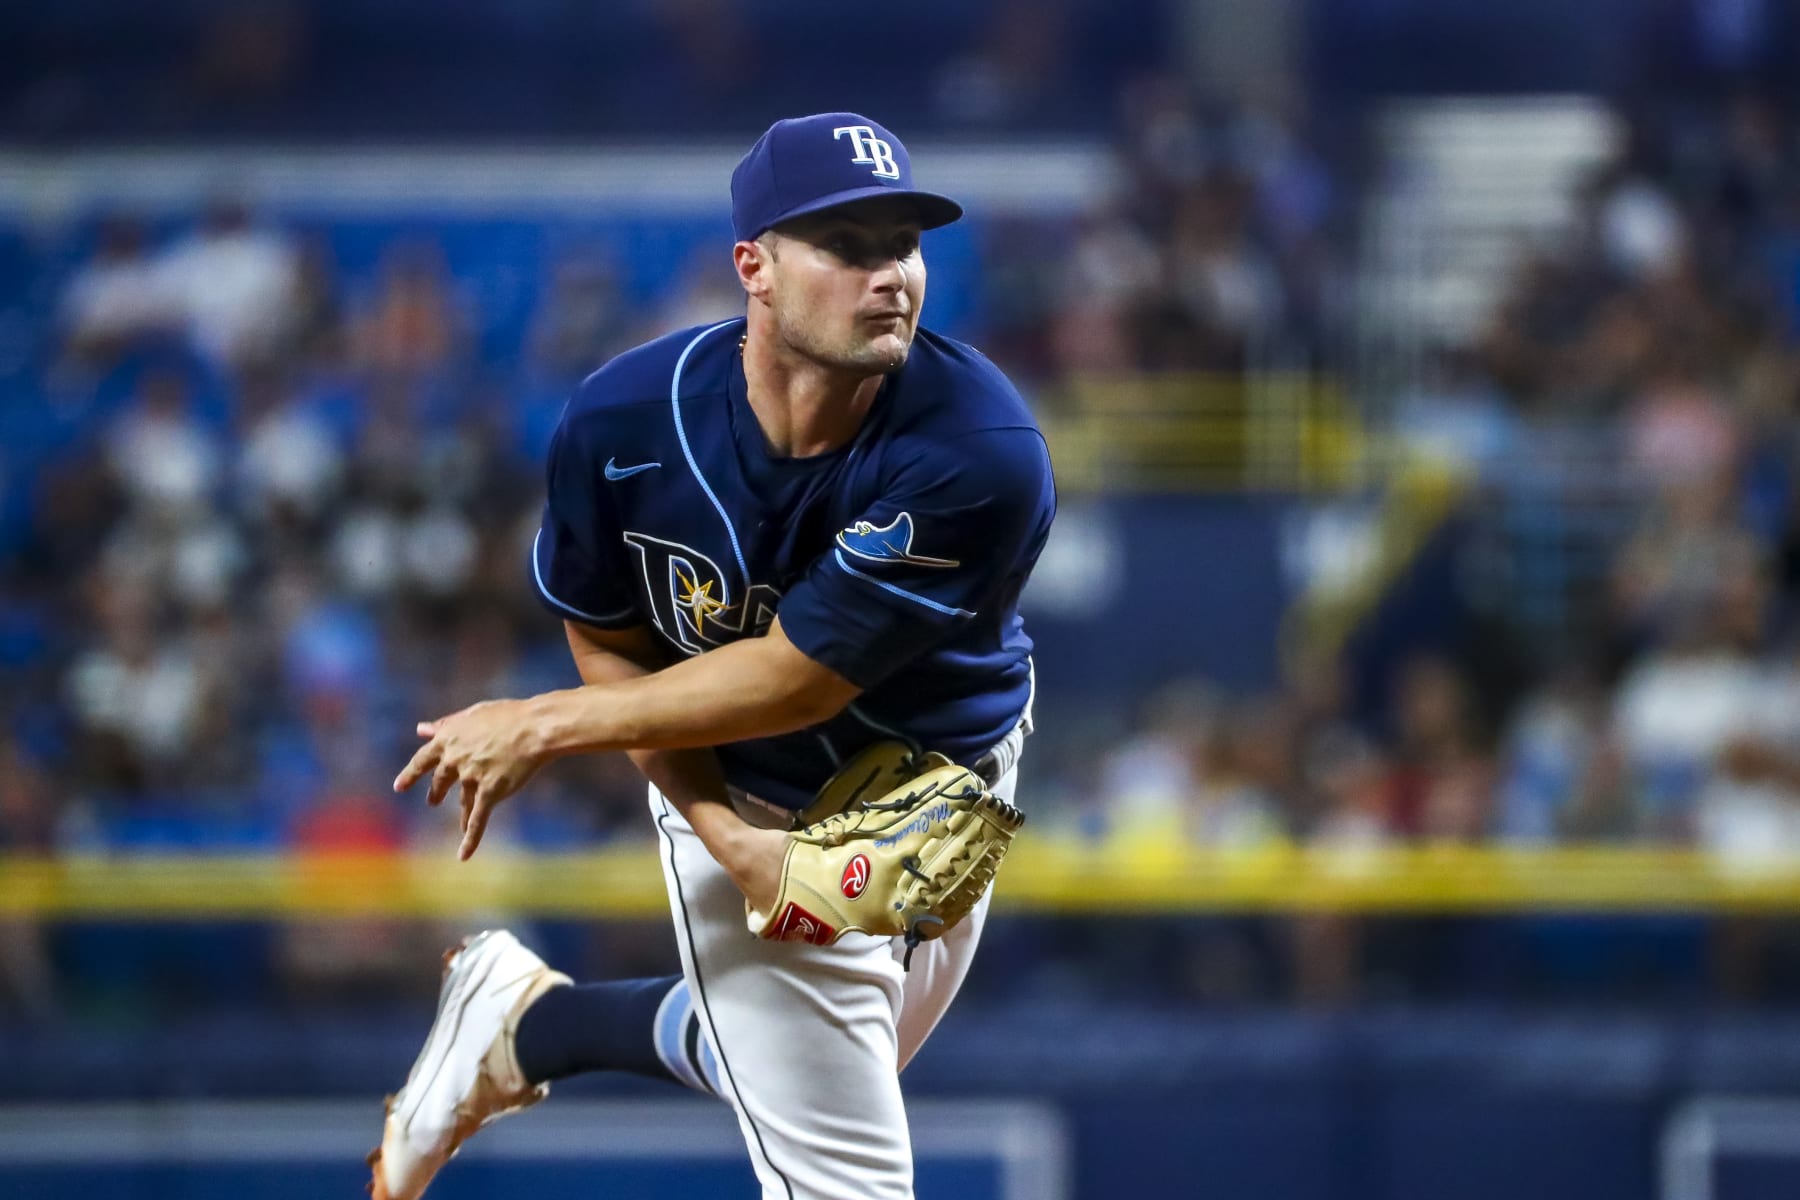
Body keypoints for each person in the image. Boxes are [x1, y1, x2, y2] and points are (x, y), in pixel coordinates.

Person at [368, 113, 1056, 1200]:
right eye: (847, 247)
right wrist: (726, 834)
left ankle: (528, 1023)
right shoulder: (623, 422)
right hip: (749, 781)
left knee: (803, 1062)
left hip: (947, 787)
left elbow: (797, 676)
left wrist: (538, 723)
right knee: (842, 1167)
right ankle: (531, 1021)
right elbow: (607, 635)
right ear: (756, 268)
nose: (890, 278)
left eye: (904, 246)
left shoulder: (980, 449)